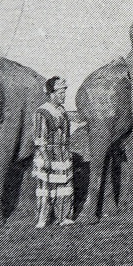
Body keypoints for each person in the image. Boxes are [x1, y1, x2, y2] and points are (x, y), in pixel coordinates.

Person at [33, 76, 74, 228]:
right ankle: (42, 219)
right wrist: (45, 159)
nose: (63, 95)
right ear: (51, 93)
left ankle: (64, 217)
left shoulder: (62, 110)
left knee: (64, 186)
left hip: (62, 154)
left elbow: (67, 131)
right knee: (46, 187)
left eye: (64, 92)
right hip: (48, 154)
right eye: (60, 92)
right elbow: (39, 138)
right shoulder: (42, 112)